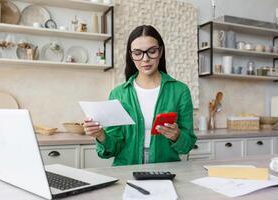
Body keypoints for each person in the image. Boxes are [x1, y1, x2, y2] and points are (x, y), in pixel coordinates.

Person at [84, 25, 196, 166]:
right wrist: (101, 135)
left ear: (160, 52)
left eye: (152, 51)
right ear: (131, 56)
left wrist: (177, 136)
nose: (145, 59)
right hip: (126, 170)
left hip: (166, 169)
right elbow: (112, 149)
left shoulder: (180, 91)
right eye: (138, 53)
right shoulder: (118, 94)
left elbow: (187, 145)